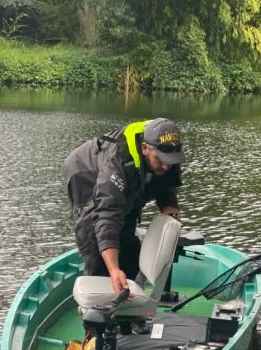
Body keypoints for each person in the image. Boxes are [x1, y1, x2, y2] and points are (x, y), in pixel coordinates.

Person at [63, 118, 186, 293]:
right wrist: (114, 270)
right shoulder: (118, 163)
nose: (167, 166)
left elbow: (167, 181)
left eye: (171, 161)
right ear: (145, 148)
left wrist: (169, 206)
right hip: (85, 173)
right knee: (94, 235)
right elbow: (107, 215)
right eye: (161, 159)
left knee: (127, 238)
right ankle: (99, 296)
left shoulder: (168, 150)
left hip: (128, 174)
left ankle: (129, 294)